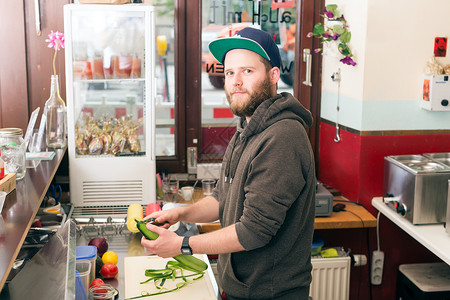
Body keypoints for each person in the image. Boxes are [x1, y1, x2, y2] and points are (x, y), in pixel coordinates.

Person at [141, 27, 316, 300]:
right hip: (240, 289)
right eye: (230, 72)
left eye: (247, 71)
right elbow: (222, 200)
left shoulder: (282, 136)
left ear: (273, 76)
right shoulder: (246, 129)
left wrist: (182, 245)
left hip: (270, 294)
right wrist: (179, 214)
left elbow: (254, 231)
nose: (236, 81)